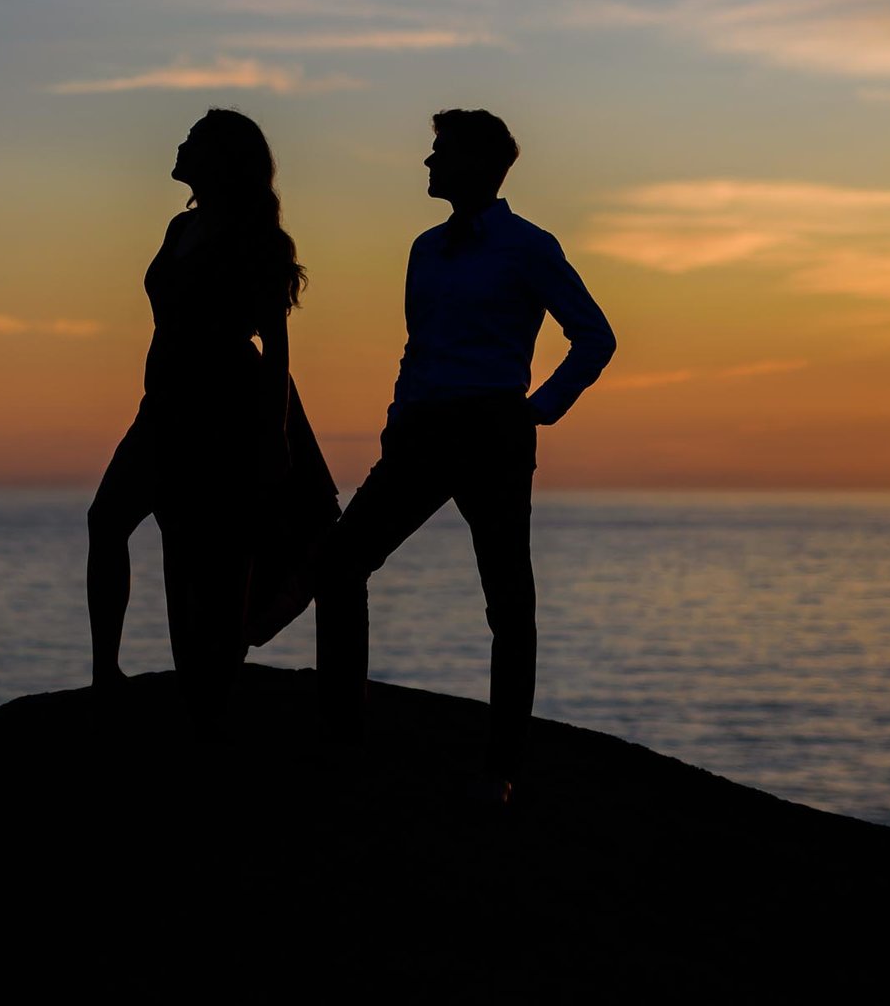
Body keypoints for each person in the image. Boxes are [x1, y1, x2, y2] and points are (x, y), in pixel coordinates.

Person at [310, 108, 614, 800]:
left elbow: (594, 336)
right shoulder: (425, 247)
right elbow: (419, 345)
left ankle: (500, 769)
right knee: (340, 560)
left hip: (492, 430)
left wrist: (538, 407)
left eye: (440, 152)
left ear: (479, 163)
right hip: (422, 428)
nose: (428, 162)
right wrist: (396, 417)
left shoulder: (528, 246)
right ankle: (341, 737)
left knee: (508, 600)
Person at [86, 109, 340, 733]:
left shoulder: (253, 237)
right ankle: (106, 675)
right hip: (166, 402)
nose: (178, 143)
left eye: (193, 140)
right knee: (109, 521)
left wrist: (275, 433)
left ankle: (209, 701)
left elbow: (277, 344)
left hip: (226, 403)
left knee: (214, 557)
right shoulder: (181, 226)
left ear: (220, 158)